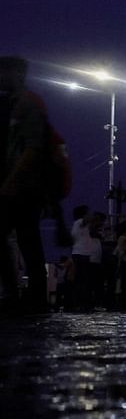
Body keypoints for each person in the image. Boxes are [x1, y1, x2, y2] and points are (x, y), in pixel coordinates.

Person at [0, 56, 52, 313]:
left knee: (27, 242)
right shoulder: (11, 103)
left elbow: (33, 148)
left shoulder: (28, 104)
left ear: (16, 74)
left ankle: (23, 298)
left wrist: (11, 181)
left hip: (24, 186)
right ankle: (26, 298)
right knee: (28, 242)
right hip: (21, 185)